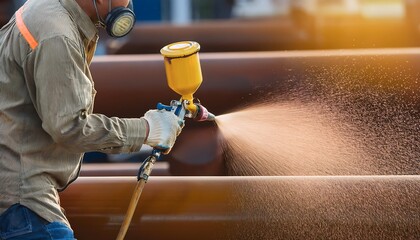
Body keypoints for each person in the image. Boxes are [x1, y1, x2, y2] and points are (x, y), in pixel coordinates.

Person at [0, 0, 183, 239]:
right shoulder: (58, 35)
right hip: (24, 201)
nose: (128, 3)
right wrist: (148, 130)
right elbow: (69, 126)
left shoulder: (44, 9)